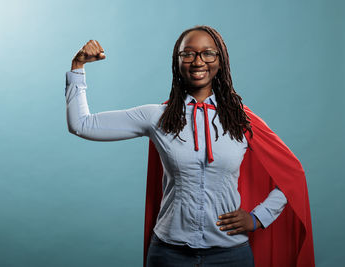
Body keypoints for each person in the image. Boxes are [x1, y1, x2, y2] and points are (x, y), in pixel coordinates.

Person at [65, 25, 315, 267]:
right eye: (188, 54)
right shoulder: (157, 117)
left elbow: (292, 176)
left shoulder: (241, 120)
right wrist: (78, 67)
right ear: (177, 61)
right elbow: (82, 125)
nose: (198, 61)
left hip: (231, 255)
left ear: (221, 61)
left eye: (208, 53)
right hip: (168, 255)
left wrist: (258, 218)